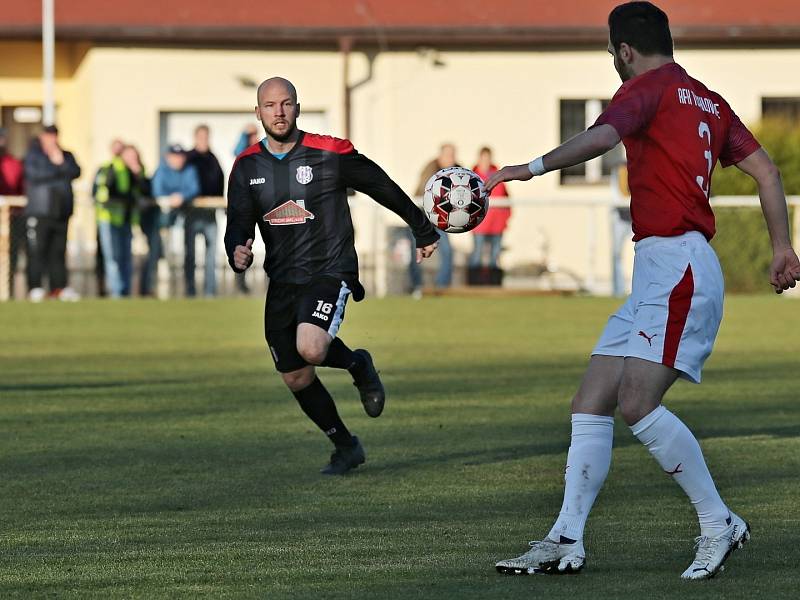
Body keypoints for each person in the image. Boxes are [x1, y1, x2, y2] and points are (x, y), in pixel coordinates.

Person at [487, 1, 800, 580]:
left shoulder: (646, 88)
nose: (615, 63)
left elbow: (603, 137)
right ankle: (565, 539)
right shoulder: (707, 98)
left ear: (624, 51)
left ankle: (718, 523)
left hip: (677, 263)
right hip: (662, 266)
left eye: (612, 54)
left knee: (637, 403)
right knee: (592, 402)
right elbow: (768, 171)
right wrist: (782, 247)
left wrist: (526, 168)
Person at [225, 77, 438, 475]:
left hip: (329, 268)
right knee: (295, 375)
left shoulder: (329, 152)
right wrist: (236, 248)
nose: (279, 112)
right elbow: (238, 222)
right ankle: (345, 446)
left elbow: (381, 186)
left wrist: (421, 227)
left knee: (311, 347)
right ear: (258, 113)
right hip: (282, 280)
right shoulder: (246, 166)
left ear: (298, 108)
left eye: (286, 103)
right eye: (270, 105)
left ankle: (359, 365)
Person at [23, 125, 81, 302]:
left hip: (61, 211)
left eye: (54, 135)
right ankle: (35, 287)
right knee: (37, 250)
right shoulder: (34, 156)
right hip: (40, 211)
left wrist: (61, 162)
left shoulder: (66, 155)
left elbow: (76, 171)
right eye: (48, 135)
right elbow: (34, 175)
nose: (52, 139)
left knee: (58, 251)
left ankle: (59, 287)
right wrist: (57, 167)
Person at [152, 144, 201, 297]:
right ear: (168, 157)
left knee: (188, 252)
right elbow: (157, 190)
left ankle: (188, 289)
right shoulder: (161, 171)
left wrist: (181, 197)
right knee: (162, 253)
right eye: (175, 156)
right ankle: (159, 287)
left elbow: (194, 188)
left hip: (186, 218)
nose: (179, 160)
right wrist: (172, 198)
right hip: (164, 221)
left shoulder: (190, 169)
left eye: (181, 156)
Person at [410, 143, 455, 296]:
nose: (451, 159)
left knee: (447, 251)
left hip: (441, 218)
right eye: (448, 155)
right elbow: (427, 194)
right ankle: (417, 287)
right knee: (417, 253)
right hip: (422, 216)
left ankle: (442, 287)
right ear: (440, 156)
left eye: (453, 155)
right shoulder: (430, 169)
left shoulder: (457, 170)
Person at [93, 139, 135, 298]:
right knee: (113, 258)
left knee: (124, 258)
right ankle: (116, 292)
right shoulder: (109, 168)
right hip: (108, 219)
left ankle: (124, 291)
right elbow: (102, 193)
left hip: (124, 219)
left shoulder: (128, 170)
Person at [185, 124, 224, 297]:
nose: (204, 140)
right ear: (195, 138)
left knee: (211, 255)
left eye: (206, 137)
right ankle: (190, 290)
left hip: (210, 212)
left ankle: (210, 292)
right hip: (192, 212)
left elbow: (220, 181)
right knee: (190, 254)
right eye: (201, 137)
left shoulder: (213, 159)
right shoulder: (189, 158)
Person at [120, 145, 154, 296]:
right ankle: (122, 290)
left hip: (138, 221)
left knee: (141, 256)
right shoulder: (117, 172)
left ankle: (140, 290)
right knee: (121, 257)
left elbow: (147, 191)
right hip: (120, 220)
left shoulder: (142, 175)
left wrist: (138, 177)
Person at [469, 146, 511, 271]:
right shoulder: (472, 177)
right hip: (479, 224)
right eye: (483, 158)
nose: (486, 161)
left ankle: (494, 285)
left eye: (488, 158)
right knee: (477, 255)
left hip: (497, 224)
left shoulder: (498, 175)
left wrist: (505, 218)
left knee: (495, 257)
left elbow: (506, 198)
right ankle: (474, 284)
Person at [0, 127, 25, 298]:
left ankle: (7, 294)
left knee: (10, 258)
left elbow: (20, 189)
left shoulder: (13, 163)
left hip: (10, 218)